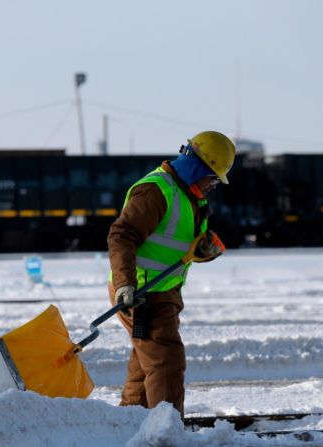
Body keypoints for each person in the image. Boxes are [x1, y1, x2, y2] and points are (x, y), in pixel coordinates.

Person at [107, 130, 235, 416]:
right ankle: (166, 433)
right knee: (166, 362)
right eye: (213, 177)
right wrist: (124, 285)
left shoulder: (191, 196)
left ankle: (131, 422)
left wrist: (202, 250)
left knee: (145, 366)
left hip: (162, 291)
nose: (214, 185)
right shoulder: (155, 191)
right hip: (141, 294)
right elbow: (122, 236)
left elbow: (175, 245)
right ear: (198, 168)